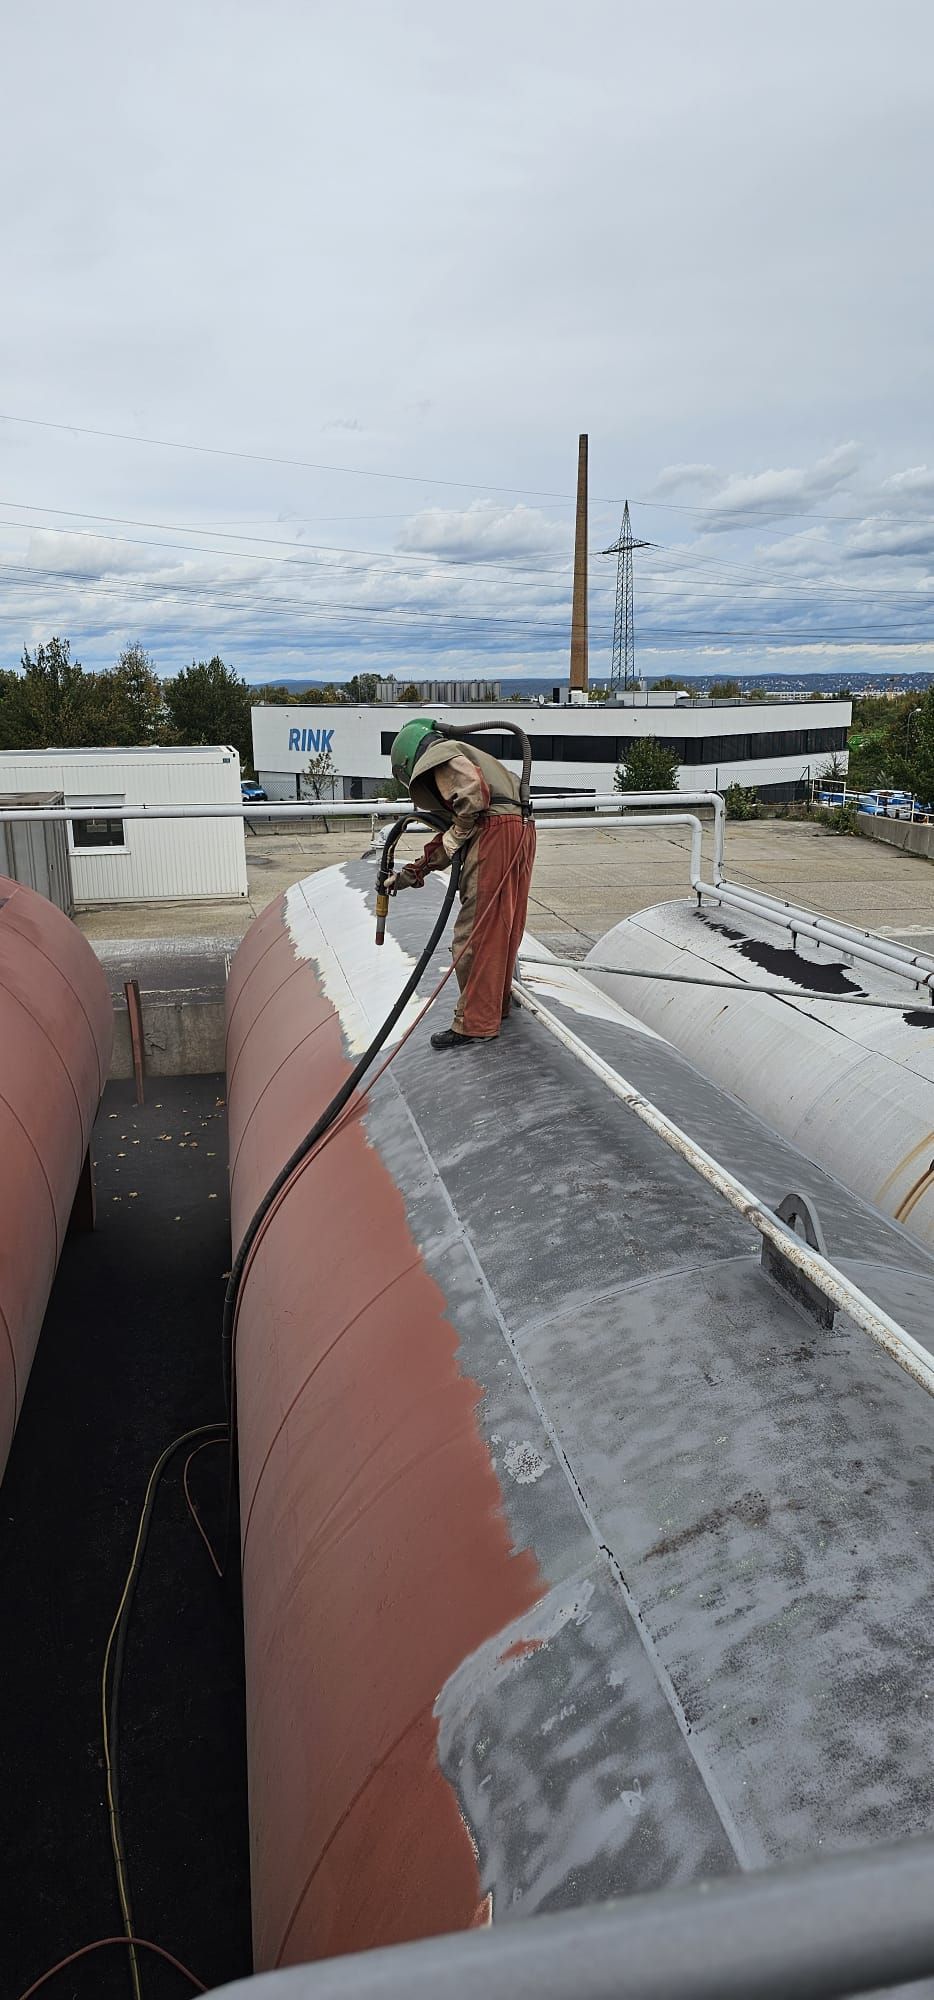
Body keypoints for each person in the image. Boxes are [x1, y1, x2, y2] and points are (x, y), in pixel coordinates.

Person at [386, 718, 536, 1051]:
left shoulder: (440, 754)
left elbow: (472, 796)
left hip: (498, 833)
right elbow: (453, 839)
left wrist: (457, 832)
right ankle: (496, 1006)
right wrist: (409, 875)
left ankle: (476, 1023)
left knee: (475, 933)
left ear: (410, 760)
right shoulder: (473, 759)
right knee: (503, 926)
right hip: (520, 829)